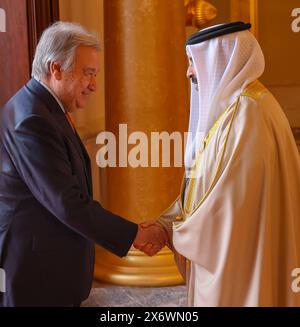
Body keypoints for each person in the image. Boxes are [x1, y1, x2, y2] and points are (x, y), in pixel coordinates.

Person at [0, 21, 166, 307]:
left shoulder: (45, 107)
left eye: (96, 74)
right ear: (56, 69)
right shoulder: (33, 119)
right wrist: (136, 235)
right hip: (35, 273)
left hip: (47, 266)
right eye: (88, 73)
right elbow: (68, 203)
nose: (94, 85)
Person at [137, 22, 300, 306]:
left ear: (220, 58)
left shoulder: (246, 116)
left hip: (241, 267)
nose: (189, 71)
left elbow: (228, 209)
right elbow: (205, 188)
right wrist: (167, 221)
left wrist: (171, 232)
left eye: (193, 62)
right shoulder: (238, 109)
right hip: (240, 260)